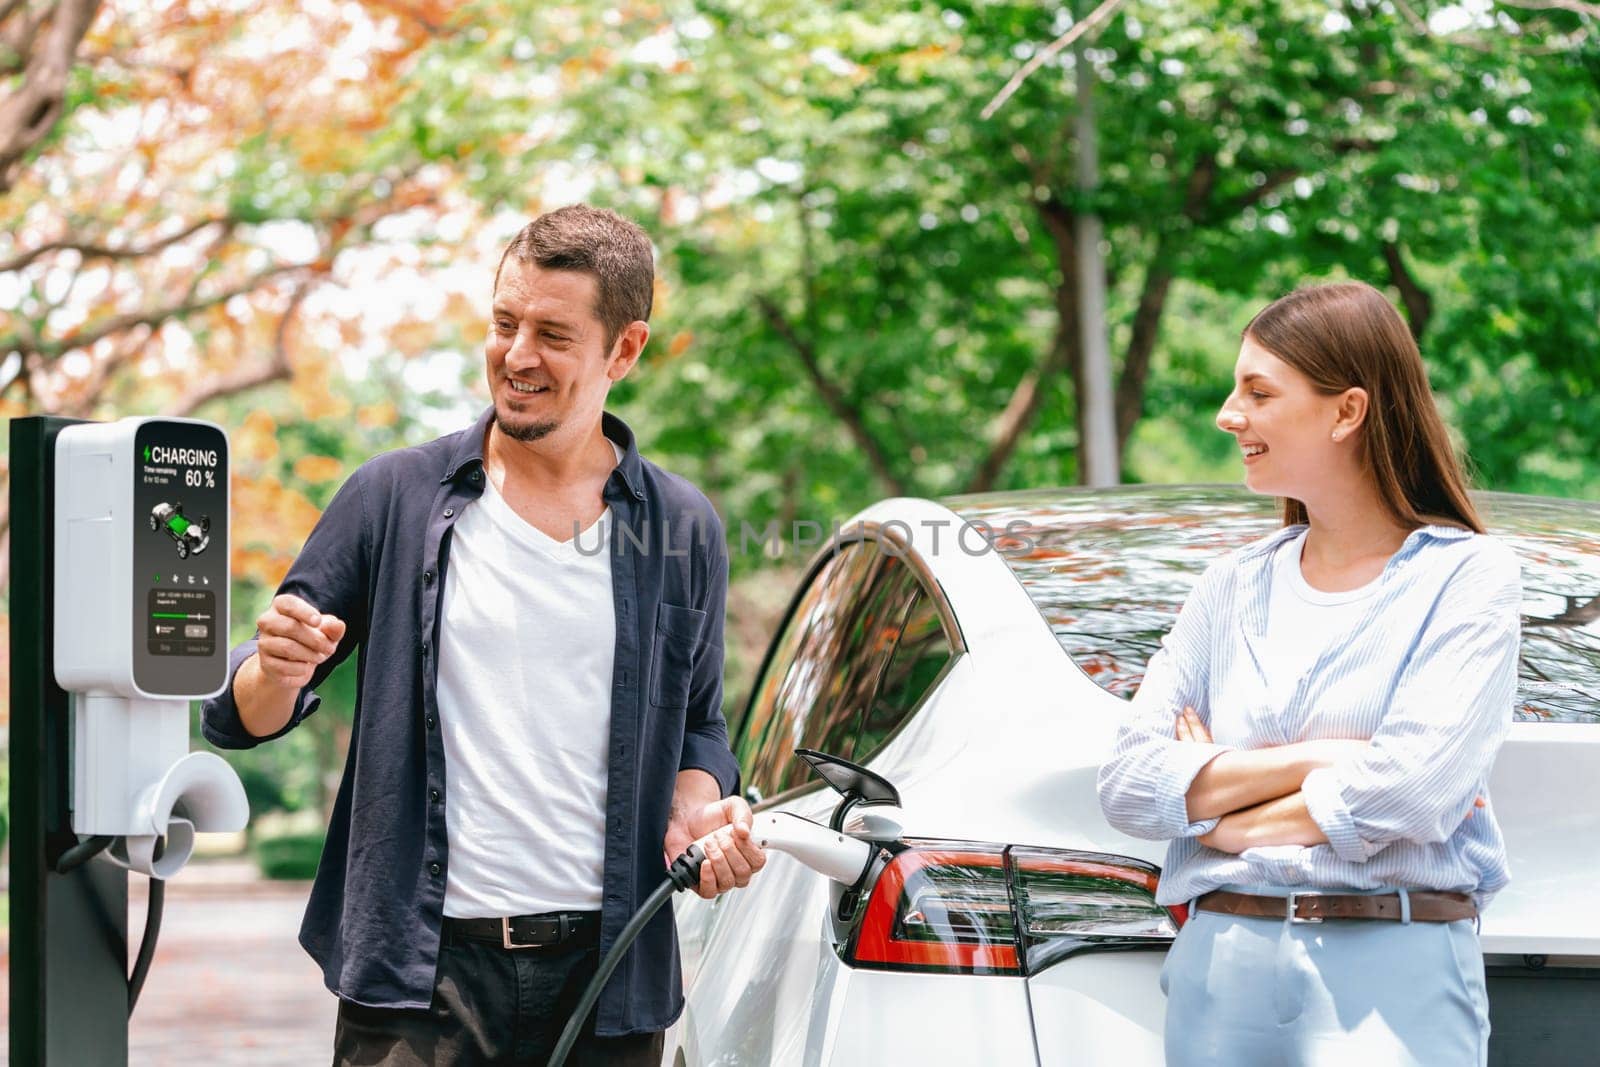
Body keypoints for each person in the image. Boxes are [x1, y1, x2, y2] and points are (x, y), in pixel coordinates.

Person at [202, 204, 767, 1066]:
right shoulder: (394, 496)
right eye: (505, 323)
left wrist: (697, 798)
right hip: (422, 983)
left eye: (552, 332)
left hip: (610, 976)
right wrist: (276, 668)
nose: (517, 355)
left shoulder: (680, 526)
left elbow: (700, 725)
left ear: (624, 350)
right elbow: (243, 712)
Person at [1096, 281, 1520, 1066]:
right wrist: (1321, 759)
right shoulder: (1227, 588)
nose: (1229, 415)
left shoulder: (1467, 577)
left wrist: (1223, 819)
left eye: (1258, 392)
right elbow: (1126, 783)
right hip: (1219, 963)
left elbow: (1413, 788)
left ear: (1347, 411)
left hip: (1390, 971)